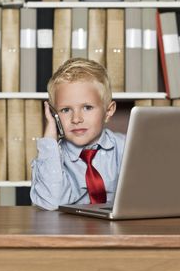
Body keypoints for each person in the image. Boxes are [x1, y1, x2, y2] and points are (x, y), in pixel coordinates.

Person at [30, 58, 126, 210]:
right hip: (69, 231)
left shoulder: (126, 148)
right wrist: (50, 139)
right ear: (54, 114)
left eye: (87, 107)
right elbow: (51, 203)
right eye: (65, 110)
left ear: (108, 111)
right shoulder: (53, 156)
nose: (76, 119)